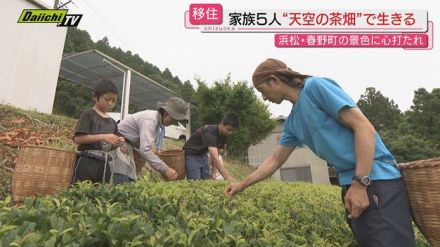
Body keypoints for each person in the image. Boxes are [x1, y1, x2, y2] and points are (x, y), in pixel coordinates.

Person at [224, 58, 415, 247]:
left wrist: (360, 182)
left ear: (273, 80)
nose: (264, 97)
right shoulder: (292, 122)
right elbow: (274, 160)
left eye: (261, 90)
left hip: (375, 180)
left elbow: (364, 127)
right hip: (351, 186)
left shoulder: (314, 87)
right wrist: (241, 185)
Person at [116, 97, 189, 183]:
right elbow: (145, 150)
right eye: (172, 119)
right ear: (166, 112)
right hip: (119, 142)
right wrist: (165, 169)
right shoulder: (150, 120)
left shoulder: (158, 124)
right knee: (123, 181)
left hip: (130, 146)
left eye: (175, 121)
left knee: (131, 181)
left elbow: (146, 145)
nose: (172, 123)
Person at [72, 79, 124, 184]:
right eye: (107, 99)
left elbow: (111, 145)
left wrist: (118, 143)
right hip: (87, 162)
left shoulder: (112, 122)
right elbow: (78, 139)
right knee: (80, 192)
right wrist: (103, 137)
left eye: (113, 101)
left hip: (105, 164)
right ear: (95, 97)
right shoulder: (88, 115)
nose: (110, 103)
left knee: (100, 195)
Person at [183, 113, 238, 181]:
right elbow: (214, 157)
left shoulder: (224, 135)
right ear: (222, 124)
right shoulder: (209, 130)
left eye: (232, 131)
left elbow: (216, 153)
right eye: (229, 129)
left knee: (206, 180)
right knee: (195, 182)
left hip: (203, 155)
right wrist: (227, 177)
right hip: (191, 155)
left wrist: (213, 172)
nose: (230, 133)